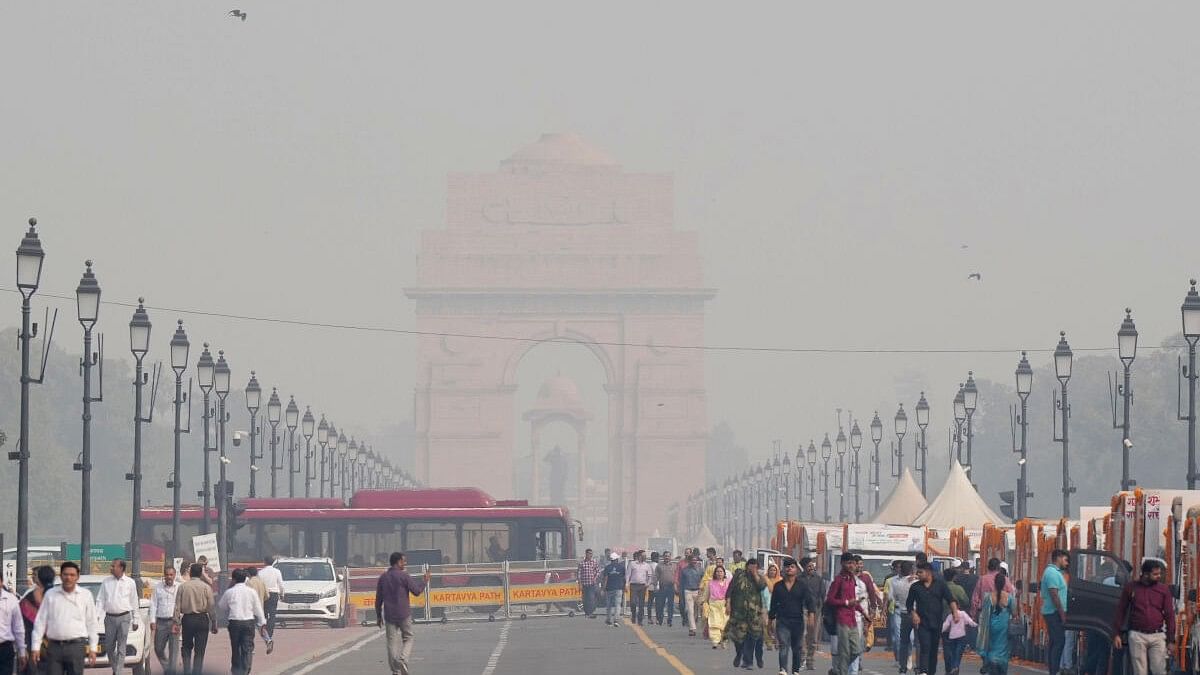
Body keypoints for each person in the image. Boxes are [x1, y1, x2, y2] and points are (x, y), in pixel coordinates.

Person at [30, 562, 99, 675]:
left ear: (77, 577)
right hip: (54, 647)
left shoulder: (85, 595)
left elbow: (91, 623)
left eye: (72, 575)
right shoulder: (51, 595)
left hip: (76, 647)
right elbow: (40, 621)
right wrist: (35, 646)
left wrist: (93, 648)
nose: (68, 578)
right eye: (65, 574)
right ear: (61, 576)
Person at [1113, 559, 1174, 675]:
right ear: (1145, 574)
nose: (1159, 576)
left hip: (1157, 635)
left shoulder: (1163, 590)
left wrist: (1171, 640)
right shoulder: (1131, 587)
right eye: (1155, 574)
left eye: (1159, 573)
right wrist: (1117, 633)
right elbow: (1121, 610)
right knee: (1139, 672)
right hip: (1137, 635)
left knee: (1159, 670)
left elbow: (1169, 615)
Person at [375, 552, 431, 675]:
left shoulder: (383, 577)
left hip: (389, 614)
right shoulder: (404, 576)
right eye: (404, 561)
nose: (405, 563)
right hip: (403, 613)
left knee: (391, 643)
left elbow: (378, 598)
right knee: (408, 637)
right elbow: (416, 591)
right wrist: (424, 581)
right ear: (398, 562)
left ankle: (395, 670)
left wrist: (378, 616)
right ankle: (403, 660)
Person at [906, 561, 960, 675]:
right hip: (922, 623)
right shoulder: (915, 587)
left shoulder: (940, 585)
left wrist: (955, 612)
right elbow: (909, 604)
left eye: (920, 572)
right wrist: (914, 614)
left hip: (937, 623)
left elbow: (951, 599)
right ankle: (923, 671)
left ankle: (931, 672)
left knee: (933, 650)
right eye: (917, 572)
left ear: (928, 572)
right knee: (925, 646)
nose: (918, 574)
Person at [218, 569, 267, 675]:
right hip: (248, 622)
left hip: (234, 622)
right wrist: (262, 622)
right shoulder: (251, 592)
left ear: (233, 579)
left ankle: (236, 670)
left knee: (235, 647)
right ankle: (246, 669)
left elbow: (221, 606)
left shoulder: (229, 592)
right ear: (245, 578)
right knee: (247, 647)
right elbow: (258, 608)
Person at [94, 559, 139, 675]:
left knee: (121, 647)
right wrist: (96, 617)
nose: (111, 568)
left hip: (124, 617)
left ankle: (118, 672)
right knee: (109, 647)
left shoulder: (130, 582)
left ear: (121, 568)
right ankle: (116, 669)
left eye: (113, 566)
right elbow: (100, 600)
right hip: (109, 618)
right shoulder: (106, 582)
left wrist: (136, 619)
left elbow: (134, 601)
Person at [770, 558, 814, 675]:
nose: (789, 568)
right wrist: (770, 621)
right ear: (783, 569)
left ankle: (795, 670)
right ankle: (783, 669)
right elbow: (773, 604)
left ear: (796, 570)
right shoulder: (778, 586)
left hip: (797, 621)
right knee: (783, 644)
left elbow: (810, 602)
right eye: (787, 566)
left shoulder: (802, 586)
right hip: (782, 620)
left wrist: (811, 615)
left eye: (792, 566)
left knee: (797, 648)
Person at [174, 562, 218, 675]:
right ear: (200, 574)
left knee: (186, 647)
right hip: (202, 619)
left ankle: (187, 670)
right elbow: (211, 606)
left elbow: (177, 607)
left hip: (188, 620)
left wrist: (176, 622)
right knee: (200, 650)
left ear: (191, 572)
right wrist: (214, 622)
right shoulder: (206, 587)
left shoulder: (183, 587)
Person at [827, 554, 868, 675]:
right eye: (848, 563)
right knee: (844, 651)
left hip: (853, 620)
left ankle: (838, 670)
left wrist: (863, 613)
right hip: (842, 619)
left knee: (857, 650)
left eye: (853, 563)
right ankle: (841, 671)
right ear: (842, 564)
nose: (851, 566)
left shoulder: (852, 579)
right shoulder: (839, 580)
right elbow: (830, 599)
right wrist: (845, 602)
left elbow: (853, 600)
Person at [728, 559, 768, 669]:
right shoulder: (739, 575)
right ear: (747, 566)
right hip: (739, 612)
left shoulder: (760, 578)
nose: (752, 568)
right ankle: (739, 653)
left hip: (754, 614)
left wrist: (755, 574)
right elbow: (730, 589)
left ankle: (748, 661)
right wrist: (728, 604)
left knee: (752, 638)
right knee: (738, 637)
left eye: (755, 566)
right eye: (751, 566)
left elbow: (761, 587)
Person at [976, 572, 1016, 675]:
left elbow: (984, 614)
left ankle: (992, 661)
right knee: (1003, 647)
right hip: (1004, 626)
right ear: (1004, 584)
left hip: (991, 626)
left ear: (994, 583)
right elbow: (1014, 613)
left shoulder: (988, 597)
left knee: (992, 646)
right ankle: (1001, 665)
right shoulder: (1009, 597)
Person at [19, 565, 55, 675]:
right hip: (51, 645)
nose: (33, 577)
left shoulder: (28, 598)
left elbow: (21, 625)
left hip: (35, 646)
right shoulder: (58, 594)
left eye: (35, 575)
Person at [1041, 550, 1070, 675]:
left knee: (1055, 641)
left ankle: (1053, 670)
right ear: (1058, 558)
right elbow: (1054, 595)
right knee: (1059, 641)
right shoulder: (1052, 573)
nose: (1067, 563)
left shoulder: (1056, 573)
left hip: (1054, 612)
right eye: (1065, 560)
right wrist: (1062, 613)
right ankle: (1054, 670)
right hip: (1053, 612)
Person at [150, 566, 181, 674]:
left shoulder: (179, 587)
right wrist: (152, 621)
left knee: (174, 650)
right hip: (161, 622)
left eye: (171, 575)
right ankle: (168, 668)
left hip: (174, 622)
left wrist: (179, 619)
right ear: (164, 575)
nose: (169, 577)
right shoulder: (158, 587)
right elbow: (153, 604)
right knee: (158, 648)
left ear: (174, 575)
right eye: (167, 574)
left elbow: (182, 604)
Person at [891, 561, 917, 673]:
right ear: (912, 570)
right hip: (917, 613)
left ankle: (902, 666)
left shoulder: (896, 583)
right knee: (919, 642)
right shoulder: (916, 582)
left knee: (903, 641)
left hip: (903, 613)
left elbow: (894, 597)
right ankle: (919, 666)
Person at [255, 557, 284, 655]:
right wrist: (282, 594)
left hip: (264, 594)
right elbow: (281, 584)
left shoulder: (261, 572)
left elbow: (258, 584)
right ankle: (270, 632)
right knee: (272, 614)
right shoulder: (277, 571)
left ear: (264, 562)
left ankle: (265, 631)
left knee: (263, 614)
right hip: (274, 594)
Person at [799, 557, 823, 671]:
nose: (811, 567)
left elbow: (822, 594)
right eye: (809, 566)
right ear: (803, 567)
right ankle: (802, 658)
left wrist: (822, 609)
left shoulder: (818, 579)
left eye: (812, 565)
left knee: (813, 637)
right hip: (802, 609)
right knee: (802, 634)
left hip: (815, 610)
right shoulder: (798, 579)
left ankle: (810, 661)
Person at [941, 599, 977, 675]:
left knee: (953, 653)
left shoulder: (950, 616)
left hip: (952, 638)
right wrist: (976, 625)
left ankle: (954, 667)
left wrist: (938, 632)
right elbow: (969, 621)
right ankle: (955, 667)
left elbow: (945, 626)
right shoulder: (962, 613)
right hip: (961, 637)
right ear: (959, 606)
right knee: (958, 653)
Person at [0, 576, 26, 675]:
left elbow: (18, 626)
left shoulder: (11, 599)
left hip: (5, 649)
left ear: (2, 582)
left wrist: (22, 651)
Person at [702, 566, 731, 648]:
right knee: (714, 623)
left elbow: (731, 595)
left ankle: (724, 641)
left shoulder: (728, 583)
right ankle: (715, 641)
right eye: (717, 572)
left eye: (721, 571)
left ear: (724, 573)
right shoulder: (710, 583)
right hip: (714, 605)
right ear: (715, 573)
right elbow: (706, 594)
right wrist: (704, 602)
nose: (719, 573)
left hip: (725, 605)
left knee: (725, 624)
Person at [628, 551, 653, 626]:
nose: (645, 557)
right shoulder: (632, 564)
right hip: (633, 585)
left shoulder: (647, 565)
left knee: (641, 604)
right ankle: (633, 615)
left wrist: (648, 583)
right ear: (639, 556)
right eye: (643, 555)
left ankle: (640, 620)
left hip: (642, 586)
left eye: (645, 556)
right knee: (633, 602)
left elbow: (650, 576)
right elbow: (628, 574)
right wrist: (626, 583)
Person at [601, 552, 626, 627]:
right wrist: (624, 587)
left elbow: (605, 579)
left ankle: (608, 619)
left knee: (609, 605)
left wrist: (603, 589)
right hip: (618, 588)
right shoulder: (621, 567)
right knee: (617, 605)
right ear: (616, 559)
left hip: (609, 588)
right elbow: (624, 578)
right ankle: (616, 620)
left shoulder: (607, 567)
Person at [679, 556, 702, 637]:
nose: (694, 562)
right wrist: (680, 593)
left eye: (695, 560)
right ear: (689, 561)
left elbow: (703, 581)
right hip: (688, 591)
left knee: (697, 611)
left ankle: (701, 627)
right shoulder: (684, 570)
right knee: (690, 610)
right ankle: (692, 629)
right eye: (692, 560)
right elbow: (681, 583)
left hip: (697, 591)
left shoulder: (700, 570)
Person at [655, 552, 678, 627]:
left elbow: (676, 577)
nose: (667, 557)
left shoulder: (674, 566)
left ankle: (669, 620)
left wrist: (676, 586)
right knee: (660, 605)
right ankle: (660, 619)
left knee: (670, 605)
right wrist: (655, 586)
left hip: (671, 587)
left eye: (668, 556)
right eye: (665, 556)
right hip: (662, 587)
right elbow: (656, 577)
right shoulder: (659, 566)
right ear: (663, 557)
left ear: (670, 557)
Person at [577, 549, 601, 619]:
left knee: (591, 598)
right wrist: (580, 584)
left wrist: (595, 578)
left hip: (592, 584)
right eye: (589, 553)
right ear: (586, 554)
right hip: (584, 584)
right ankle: (587, 613)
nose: (590, 555)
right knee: (585, 599)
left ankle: (590, 613)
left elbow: (598, 571)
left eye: (591, 553)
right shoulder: (581, 563)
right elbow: (578, 574)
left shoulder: (594, 562)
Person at [763, 563, 780, 651]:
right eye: (771, 570)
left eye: (774, 570)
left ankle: (777, 641)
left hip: (776, 605)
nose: (772, 572)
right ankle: (768, 643)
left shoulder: (780, 581)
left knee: (775, 625)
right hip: (764, 604)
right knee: (766, 624)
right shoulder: (764, 579)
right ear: (768, 571)